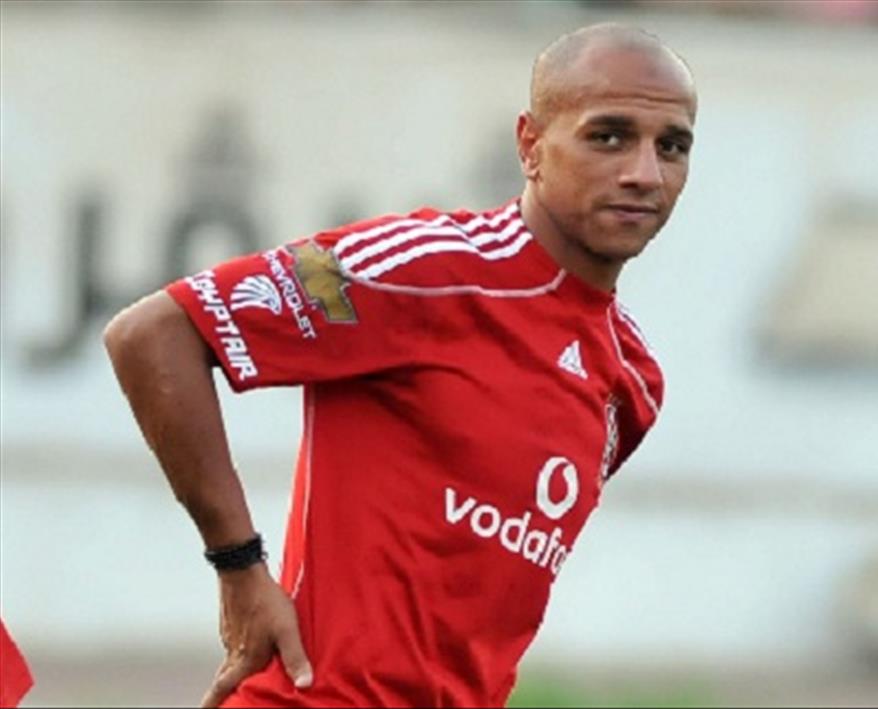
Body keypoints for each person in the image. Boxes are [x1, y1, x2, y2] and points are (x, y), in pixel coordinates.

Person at [104, 22, 697, 709]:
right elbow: (153, 333)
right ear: (531, 145)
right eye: (609, 136)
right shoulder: (420, 270)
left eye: (672, 146)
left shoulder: (633, 379)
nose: (645, 173)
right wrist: (239, 567)